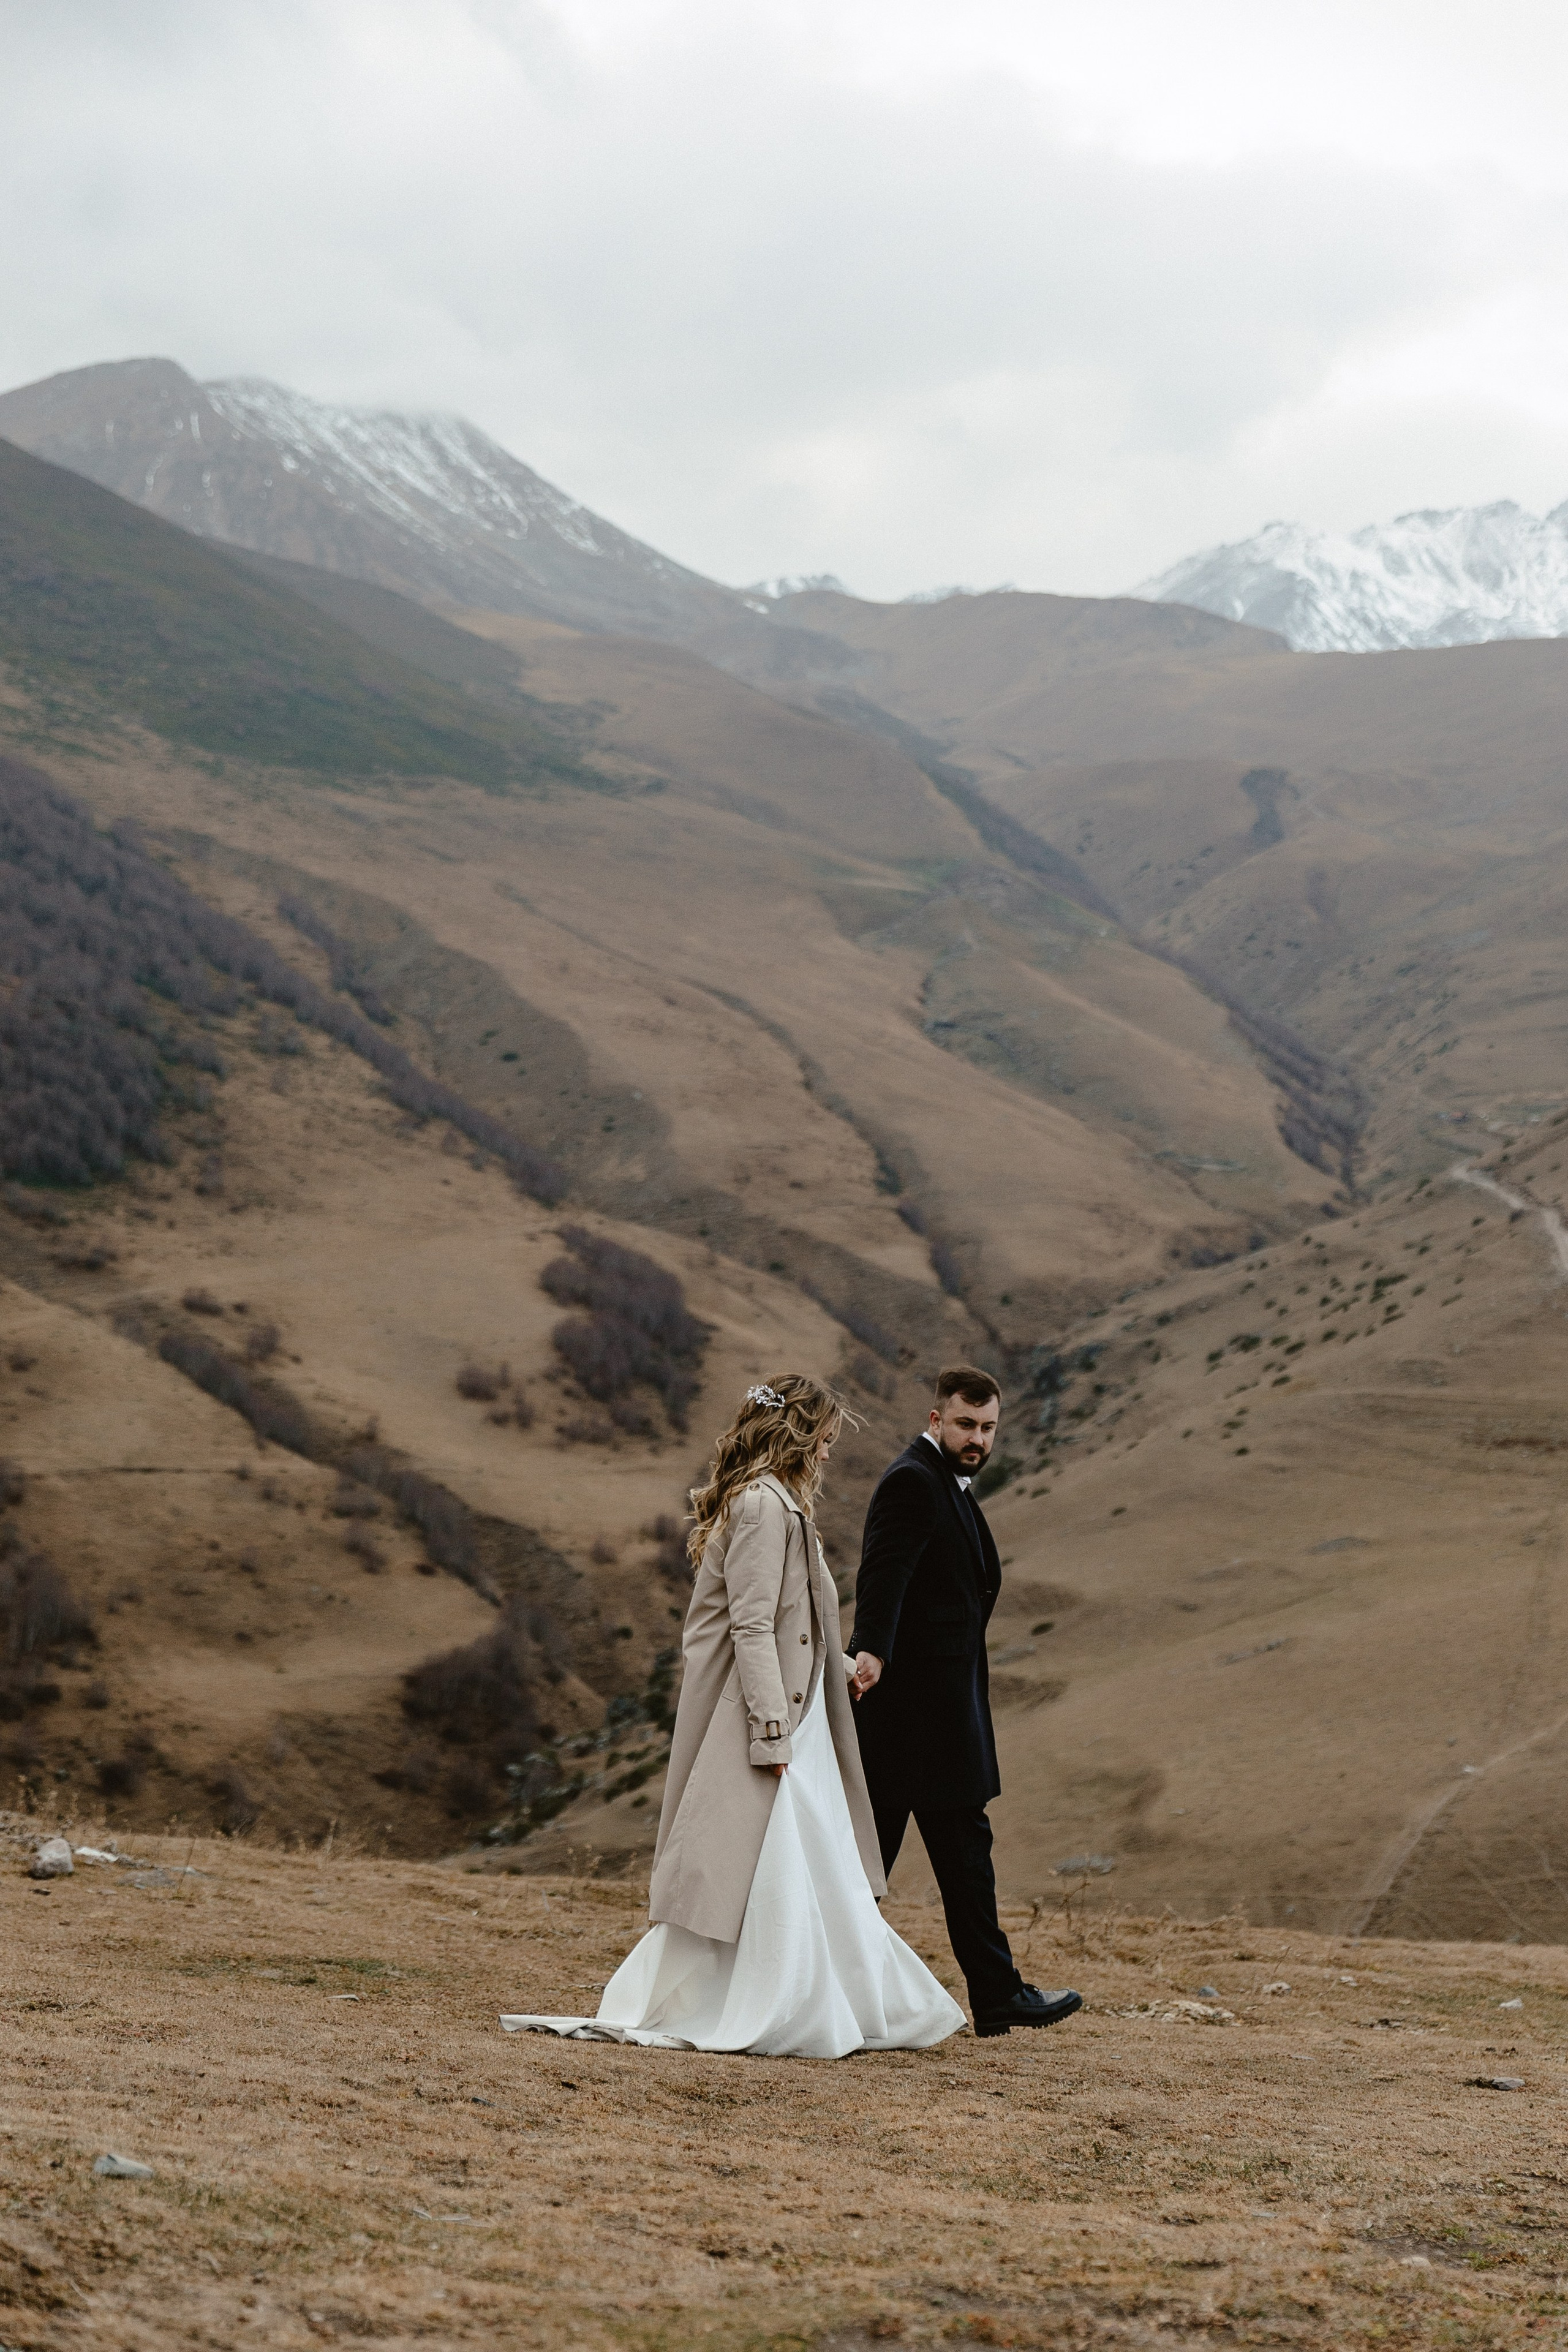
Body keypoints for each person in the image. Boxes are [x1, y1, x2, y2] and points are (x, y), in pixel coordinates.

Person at [501, 1374, 965, 2058]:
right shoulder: (760, 1506)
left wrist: (839, 1668)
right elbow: (751, 1626)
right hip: (765, 1718)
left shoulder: (776, 1502)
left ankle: (823, 1997)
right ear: (798, 1437)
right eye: (827, 1440)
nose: (831, 1454)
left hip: (793, 1710)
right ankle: (777, 2000)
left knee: (799, 1859)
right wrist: (769, 1729)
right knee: (771, 1858)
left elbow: (791, 1623)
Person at [849, 1365, 1082, 2039]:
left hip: (930, 1716)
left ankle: (995, 1994)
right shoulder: (911, 1481)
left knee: (913, 1862)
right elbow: (883, 1574)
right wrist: (870, 1649)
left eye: (987, 1428)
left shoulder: (942, 1482)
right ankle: (992, 1994)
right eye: (965, 1425)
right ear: (935, 1420)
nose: (977, 1439)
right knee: (877, 1864)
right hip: (912, 1717)